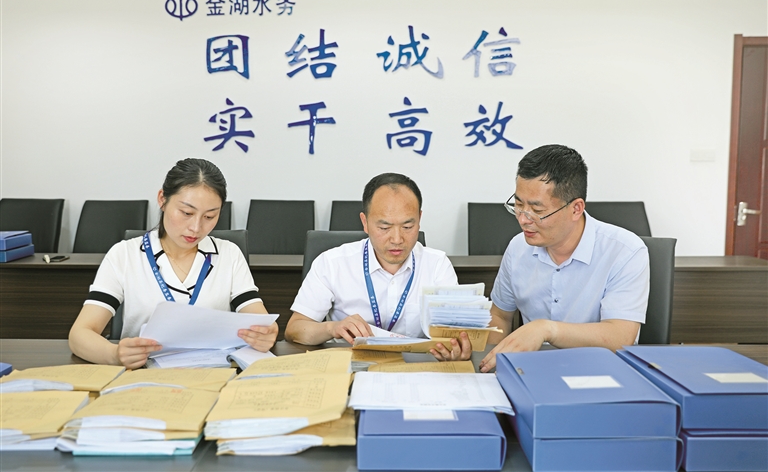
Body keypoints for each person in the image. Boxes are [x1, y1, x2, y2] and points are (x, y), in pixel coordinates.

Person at [69, 158, 278, 369]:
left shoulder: (229, 254)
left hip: (214, 374)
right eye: (187, 213)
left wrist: (267, 334)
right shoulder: (124, 254)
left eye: (209, 216)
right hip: (144, 375)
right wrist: (114, 354)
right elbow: (80, 334)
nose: (196, 227)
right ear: (162, 199)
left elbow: (261, 320)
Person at [479, 144, 649, 373]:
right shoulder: (518, 248)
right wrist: (490, 363)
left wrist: (546, 330)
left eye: (537, 210)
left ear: (576, 208)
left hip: (602, 373)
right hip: (533, 372)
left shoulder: (625, 251)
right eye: (518, 205)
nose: (523, 219)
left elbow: (620, 336)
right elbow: (500, 315)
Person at [285, 173, 472, 360]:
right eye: (384, 228)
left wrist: (457, 347)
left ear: (419, 219)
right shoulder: (332, 263)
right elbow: (294, 329)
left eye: (407, 227)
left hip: (414, 367)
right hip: (350, 365)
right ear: (365, 222)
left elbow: (457, 331)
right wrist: (332, 328)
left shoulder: (437, 265)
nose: (397, 239)